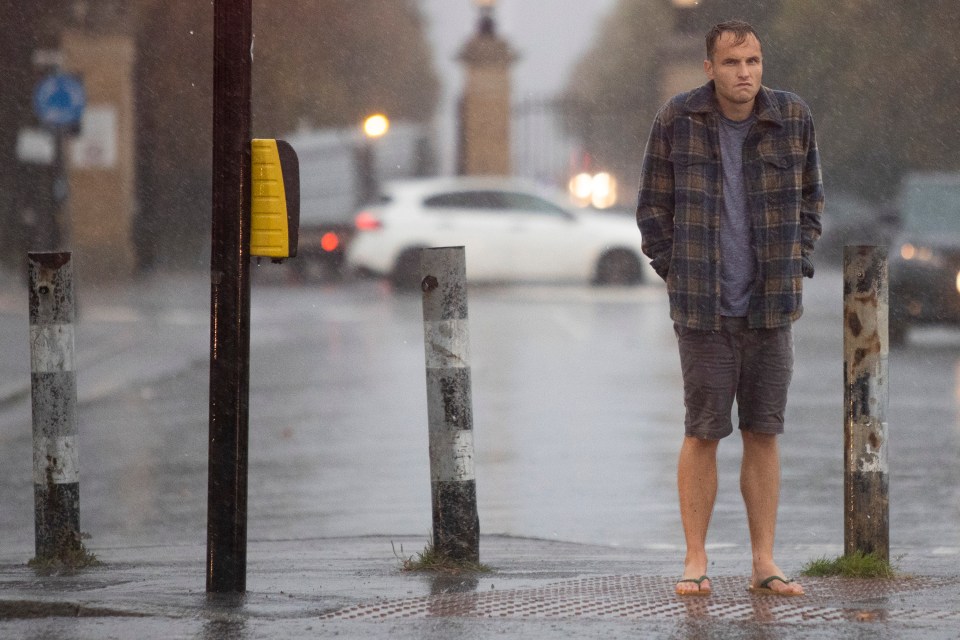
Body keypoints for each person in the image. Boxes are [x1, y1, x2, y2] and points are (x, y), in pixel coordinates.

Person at [636, 20, 823, 597]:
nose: (746, 73)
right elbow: (651, 211)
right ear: (709, 68)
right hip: (703, 311)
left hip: (770, 307)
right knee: (704, 431)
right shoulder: (678, 120)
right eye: (734, 62)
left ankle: (764, 562)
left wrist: (795, 261)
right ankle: (696, 558)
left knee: (764, 432)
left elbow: (812, 202)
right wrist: (681, 273)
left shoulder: (792, 118)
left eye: (754, 62)